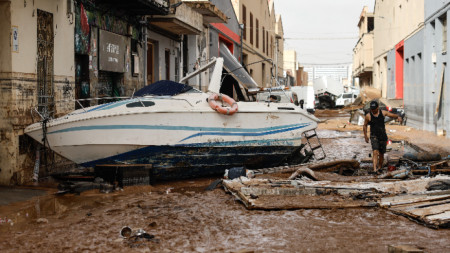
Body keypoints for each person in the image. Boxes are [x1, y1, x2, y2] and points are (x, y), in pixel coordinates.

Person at [363, 100, 403, 173]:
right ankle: (375, 169)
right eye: (372, 109)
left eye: (374, 109)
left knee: (381, 153)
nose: (373, 110)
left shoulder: (383, 112)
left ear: (377, 107)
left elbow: (392, 115)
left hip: (383, 136)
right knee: (375, 152)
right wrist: (365, 136)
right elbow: (365, 125)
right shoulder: (368, 116)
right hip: (374, 136)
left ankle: (380, 167)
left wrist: (398, 116)